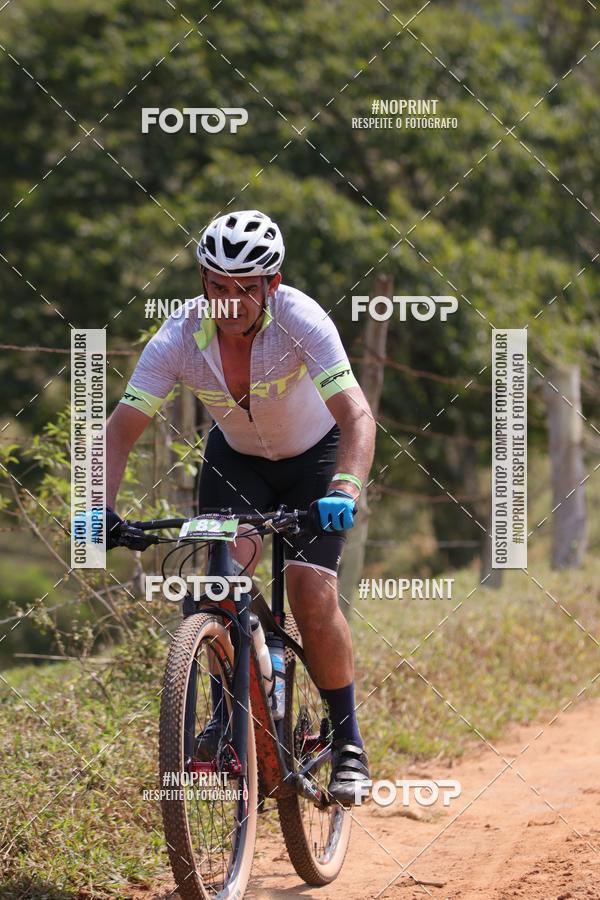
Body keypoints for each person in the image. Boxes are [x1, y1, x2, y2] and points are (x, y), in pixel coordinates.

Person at [105, 209, 376, 804]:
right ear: (203, 280)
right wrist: (95, 510)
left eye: (244, 290)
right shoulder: (178, 335)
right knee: (219, 589)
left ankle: (349, 741)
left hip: (315, 462)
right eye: (217, 286)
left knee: (309, 590)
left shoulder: (302, 320)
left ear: (270, 285)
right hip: (238, 464)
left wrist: (346, 488)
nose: (229, 302)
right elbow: (121, 429)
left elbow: (357, 415)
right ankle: (227, 717)